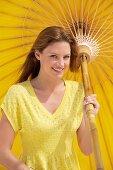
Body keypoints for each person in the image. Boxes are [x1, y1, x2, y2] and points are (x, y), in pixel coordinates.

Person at [0, 26, 100, 170]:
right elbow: (2, 151)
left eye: (66, 57)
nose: (61, 64)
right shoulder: (18, 94)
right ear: (38, 54)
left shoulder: (78, 92)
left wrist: (89, 116)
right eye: (54, 56)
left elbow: (87, 150)